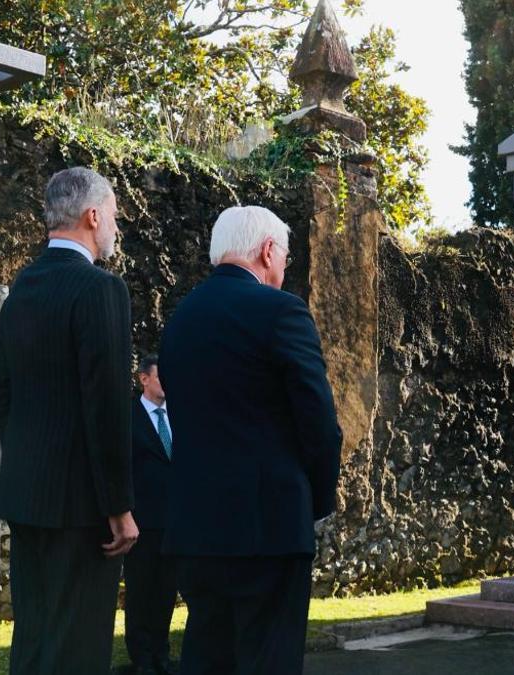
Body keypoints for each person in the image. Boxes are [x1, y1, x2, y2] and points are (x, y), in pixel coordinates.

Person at [160, 206, 343, 674]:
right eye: (284, 256)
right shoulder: (282, 311)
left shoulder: (181, 319)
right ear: (267, 251)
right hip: (270, 526)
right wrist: (315, 501)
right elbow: (319, 422)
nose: (284, 268)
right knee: (269, 660)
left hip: (197, 528)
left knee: (207, 659)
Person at [0, 167, 138, 674]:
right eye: (113, 215)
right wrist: (119, 506)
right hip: (82, 506)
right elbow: (107, 405)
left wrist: (27, 466)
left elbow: (4, 393)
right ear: (92, 216)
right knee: (77, 649)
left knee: (33, 643)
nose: (115, 226)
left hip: (26, 496)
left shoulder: (21, 288)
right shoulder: (101, 289)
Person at [125, 354, 179, 675]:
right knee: (141, 591)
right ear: (144, 379)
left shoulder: (179, 416)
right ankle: (142, 659)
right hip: (142, 521)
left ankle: (161, 654)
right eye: (161, 376)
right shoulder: (129, 417)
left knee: (166, 592)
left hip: (174, 522)